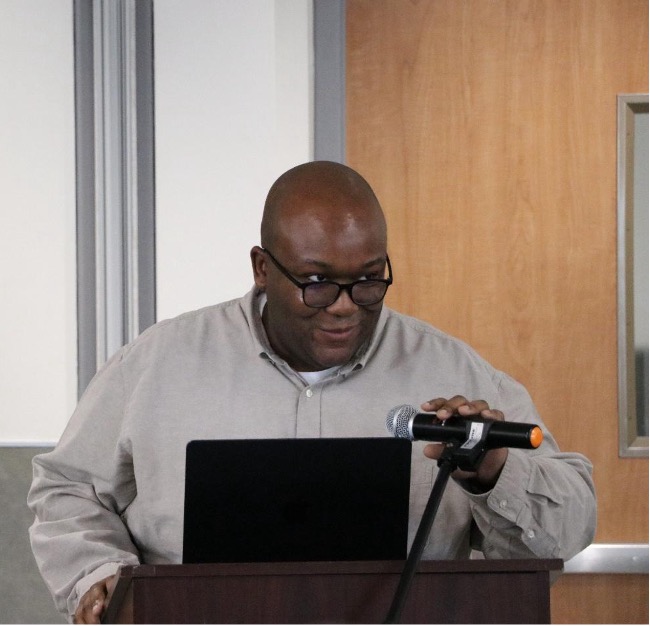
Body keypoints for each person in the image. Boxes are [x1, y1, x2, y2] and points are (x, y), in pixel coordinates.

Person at [28, 161, 596, 623]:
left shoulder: (452, 370)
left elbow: (569, 528)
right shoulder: (158, 364)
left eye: (369, 279)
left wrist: (495, 472)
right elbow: (68, 489)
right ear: (261, 268)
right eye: (318, 282)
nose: (345, 306)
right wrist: (96, 574)